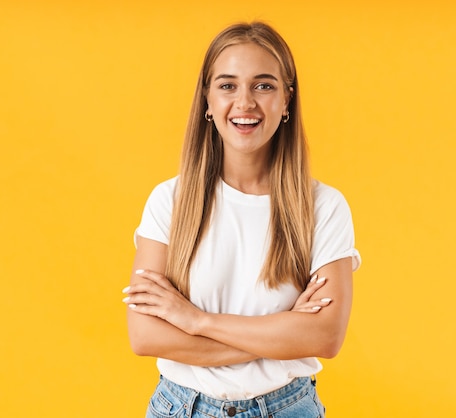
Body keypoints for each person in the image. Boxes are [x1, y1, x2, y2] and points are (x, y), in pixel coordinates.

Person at [122, 21, 360, 418]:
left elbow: (325, 336)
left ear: (287, 100)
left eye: (263, 85)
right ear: (207, 101)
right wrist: (282, 333)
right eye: (227, 85)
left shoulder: (324, 207)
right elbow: (145, 335)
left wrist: (195, 320)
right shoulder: (170, 201)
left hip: (287, 408)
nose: (245, 102)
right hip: (181, 407)